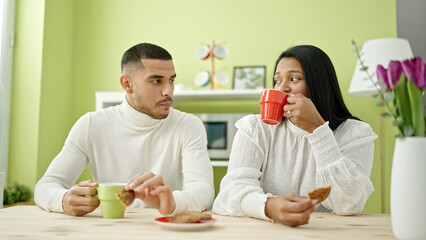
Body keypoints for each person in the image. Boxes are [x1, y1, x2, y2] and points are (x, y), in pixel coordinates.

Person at [34, 43, 215, 216]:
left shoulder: (188, 125)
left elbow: (203, 190)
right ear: (127, 84)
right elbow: (46, 185)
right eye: (157, 81)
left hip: (164, 227)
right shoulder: (91, 125)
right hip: (108, 228)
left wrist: (170, 202)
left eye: (171, 80)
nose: (168, 91)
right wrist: (63, 200)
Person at [212, 45, 377, 227]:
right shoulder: (255, 128)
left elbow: (349, 203)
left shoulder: (355, 133)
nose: (282, 88)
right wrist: (268, 206)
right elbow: (228, 194)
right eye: (277, 80)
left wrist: (318, 130)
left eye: (294, 78)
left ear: (319, 84)